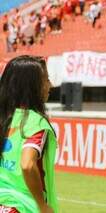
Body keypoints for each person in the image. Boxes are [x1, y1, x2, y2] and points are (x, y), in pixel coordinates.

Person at [0, 55, 58, 213]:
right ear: (32, 86)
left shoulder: (3, 118)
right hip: (21, 207)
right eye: (46, 79)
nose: (50, 85)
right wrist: (42, 206)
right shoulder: (35, 122)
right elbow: (27, 164)